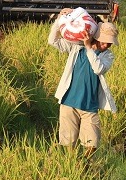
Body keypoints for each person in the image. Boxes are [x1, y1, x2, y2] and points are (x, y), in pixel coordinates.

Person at [48, 10, 119, 159]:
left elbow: (98, 68)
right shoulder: (76, 47)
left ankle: (84, 164)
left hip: (90, 106)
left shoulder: (107, 56)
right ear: (97, 37)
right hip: (69, 102)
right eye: (104, 41)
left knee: (92, 142)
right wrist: (59, 19)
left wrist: (89, 48)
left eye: (109, 43)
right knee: (68, 142)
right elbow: (52, 41)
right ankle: (72, 165)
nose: (106, 45)